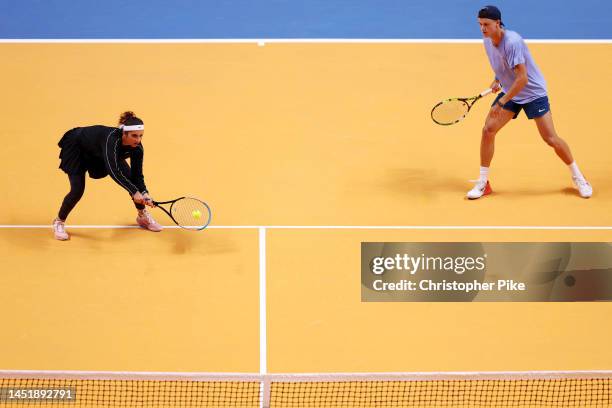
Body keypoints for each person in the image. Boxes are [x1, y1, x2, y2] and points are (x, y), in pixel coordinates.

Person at [467, 5, 592, 199]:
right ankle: (483, 182)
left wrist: (501, 103)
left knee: (550, 138)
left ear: (498, 23)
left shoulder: (513, 42)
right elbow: (503, 65)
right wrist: (497, 79)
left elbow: (523, 79)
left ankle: (579, 176)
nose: (482, 29)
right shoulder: (487, 41)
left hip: (533, 92)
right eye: (480, 24)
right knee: (488, 130)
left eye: (486, 24)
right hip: (512, 91)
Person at [53, 111, 162, 240]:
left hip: (100, 151)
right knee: (77, 190)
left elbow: (137, 175)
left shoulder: (137, 148)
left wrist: (144, 192)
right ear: (124, 133)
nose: (138, 140)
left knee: (131, 180)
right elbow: (113, 170)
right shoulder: (112, 141)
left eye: (140, 136)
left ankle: (142, 216)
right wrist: (134, 191)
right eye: (134, 135)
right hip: (78, 148)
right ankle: (59, 221)